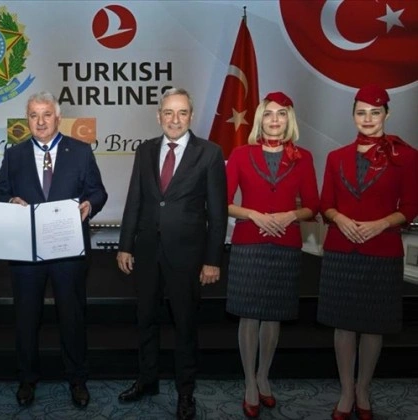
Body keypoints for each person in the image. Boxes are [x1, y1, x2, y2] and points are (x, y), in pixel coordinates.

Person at [116, 87, 228, 420]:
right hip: (147, 252)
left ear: (191, 116)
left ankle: (185, 392)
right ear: (159, 116)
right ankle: (147, 380)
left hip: (188, 256)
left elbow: (218, 213)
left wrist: (212, 260)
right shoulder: (145, 150)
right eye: (168, 112)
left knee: (185, 325)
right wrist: (125, 244)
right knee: (146, 320)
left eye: (181, 112)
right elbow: (134, 199)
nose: (174, 119)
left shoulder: (210, 153)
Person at [0, 91, 107, 408]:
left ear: (58, 117)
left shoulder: (81, 151)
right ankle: (27, 379)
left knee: (72, 316)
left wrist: (89, 205)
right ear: (27, 119)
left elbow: (98, 192)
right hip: (26, 252)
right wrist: (9, 201)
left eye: (46, 114)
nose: (41, 121)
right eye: (34, 115)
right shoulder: (14, 155)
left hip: (68, 251)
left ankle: (77, 379)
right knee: (26, 318)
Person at [317, 85, 418, 420]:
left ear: (387, 114)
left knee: (374, 324)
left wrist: (381, 224)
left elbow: (411, 207)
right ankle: (347, 390)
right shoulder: (336, 157)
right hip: (341, 248)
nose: (368, 119)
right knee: (344, 324)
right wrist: (340, 219)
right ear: (353, 116)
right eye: (361, 112)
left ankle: (364, 388)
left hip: (382, 248)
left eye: (375, 113)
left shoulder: (406, 157)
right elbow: (326, 204)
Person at [224, 92, 319, 417]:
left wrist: (290, 215)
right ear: (260, 119)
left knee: (273, 315)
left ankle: (264, 375)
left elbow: (313, 205)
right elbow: (223, 202)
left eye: (281, 114)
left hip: (285, 244)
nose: (274, 119)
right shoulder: (241, 154)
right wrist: (254, 214)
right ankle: (249, 382)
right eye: (268, 113)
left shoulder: (303, 157)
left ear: (289, 119)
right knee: (249, 314)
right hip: (249, 243)